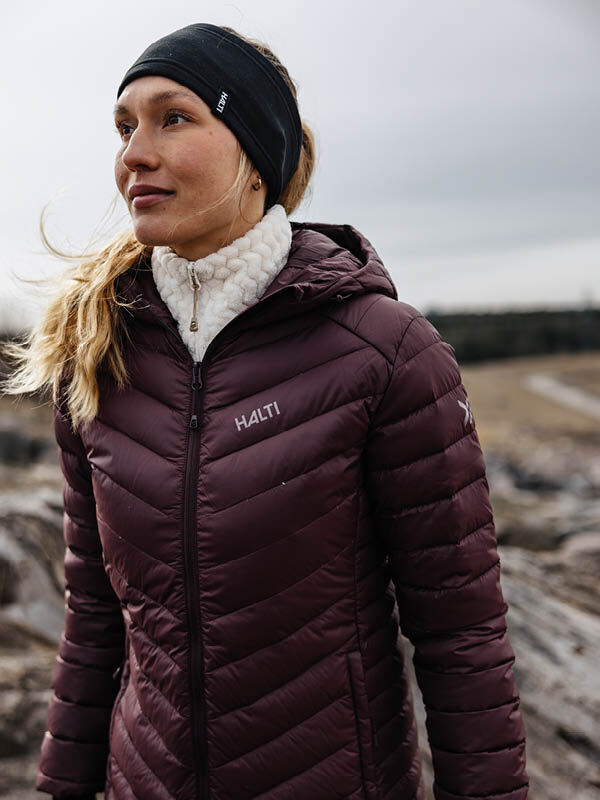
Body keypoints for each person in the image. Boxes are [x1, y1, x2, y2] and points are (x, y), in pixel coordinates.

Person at [2, 23, 529, 800]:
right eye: (123, 127)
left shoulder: (384, 353)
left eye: (172, 118)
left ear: (255, 154)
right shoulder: (100, 352)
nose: (133, 154)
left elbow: (461, 634)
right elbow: (94, 625)